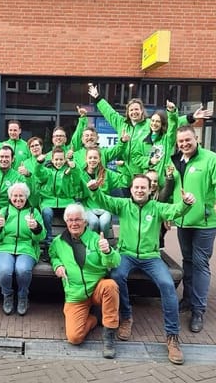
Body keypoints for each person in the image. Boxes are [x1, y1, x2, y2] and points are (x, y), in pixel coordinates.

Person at [87, 174, 195, 365]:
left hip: (151, 257)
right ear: (131, 189)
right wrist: (95, 189)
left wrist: (186, 203)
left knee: (167, 284)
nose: (139, 190)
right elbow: (104, 200)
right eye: (136, 187)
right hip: (126, 254)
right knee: (116, 275)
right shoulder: (123, 205)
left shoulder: (157, 207)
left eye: (143, 187)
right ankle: (126, 317)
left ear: (150, 189)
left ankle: (172, 337)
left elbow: (175, 210)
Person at [49, 203, 120, 359]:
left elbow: (114, 262)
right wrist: (57, 265)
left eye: (78, 220)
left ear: (85, 221)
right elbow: (52, 255)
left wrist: (107, 251)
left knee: (110, 285)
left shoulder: (95, 239)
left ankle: (109, 335)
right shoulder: (58, 242)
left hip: (96, 289)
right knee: (74, 337)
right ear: (66, 222)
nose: (74, 223)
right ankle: (95, 318)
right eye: (70, 220)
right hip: (76, 294)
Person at [169, 125, 216, 333]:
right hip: (183, 221)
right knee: (187, 261)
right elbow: (172, 189)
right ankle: (188, 299)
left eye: (188, 140)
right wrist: (170, 214)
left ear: (196, 138)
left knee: (200, 264)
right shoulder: (176, 161)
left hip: (204, 223)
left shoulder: (210, 159)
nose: (184, 144)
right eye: (181, 141)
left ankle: (198, 310)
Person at [0, 182, 46, 316]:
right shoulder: (4, 211)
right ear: (10, 197)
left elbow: (41, 237)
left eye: (21, 196)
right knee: (4, 270)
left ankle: (22, 296)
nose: (18, 199)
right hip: (5, 247)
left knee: (23, 269)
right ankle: (7, 295)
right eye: (15, 196)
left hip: (26, 248)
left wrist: (36, 228)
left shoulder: (33, 212)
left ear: (26, 197)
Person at [68, 147, 131, 238]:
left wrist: (123, 166)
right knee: (94, 222)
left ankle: (103, 243)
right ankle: (91, 243)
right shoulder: (80, 173)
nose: (92, 160)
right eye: (90, 158)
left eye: (95, 158)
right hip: (88, 207)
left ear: (99, 159)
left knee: (104, 223)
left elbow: (126, 181)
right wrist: (73, 170)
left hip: (105, 207)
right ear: (86, 159)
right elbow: (75, 188)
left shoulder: (106, 173)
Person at [35, 147, 75, 257]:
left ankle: (71, 244)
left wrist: (68, 174)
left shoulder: (69, 171)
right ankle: (48, 244)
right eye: (56, 159)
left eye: (61, 159)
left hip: (65, 202)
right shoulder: (48, 171)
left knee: (72, 214)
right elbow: (38, 173)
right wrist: (39, 163)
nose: (58, 162)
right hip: (49, 202)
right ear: (52, 160)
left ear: (65, 160)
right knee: (46, 213)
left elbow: (72, 187)